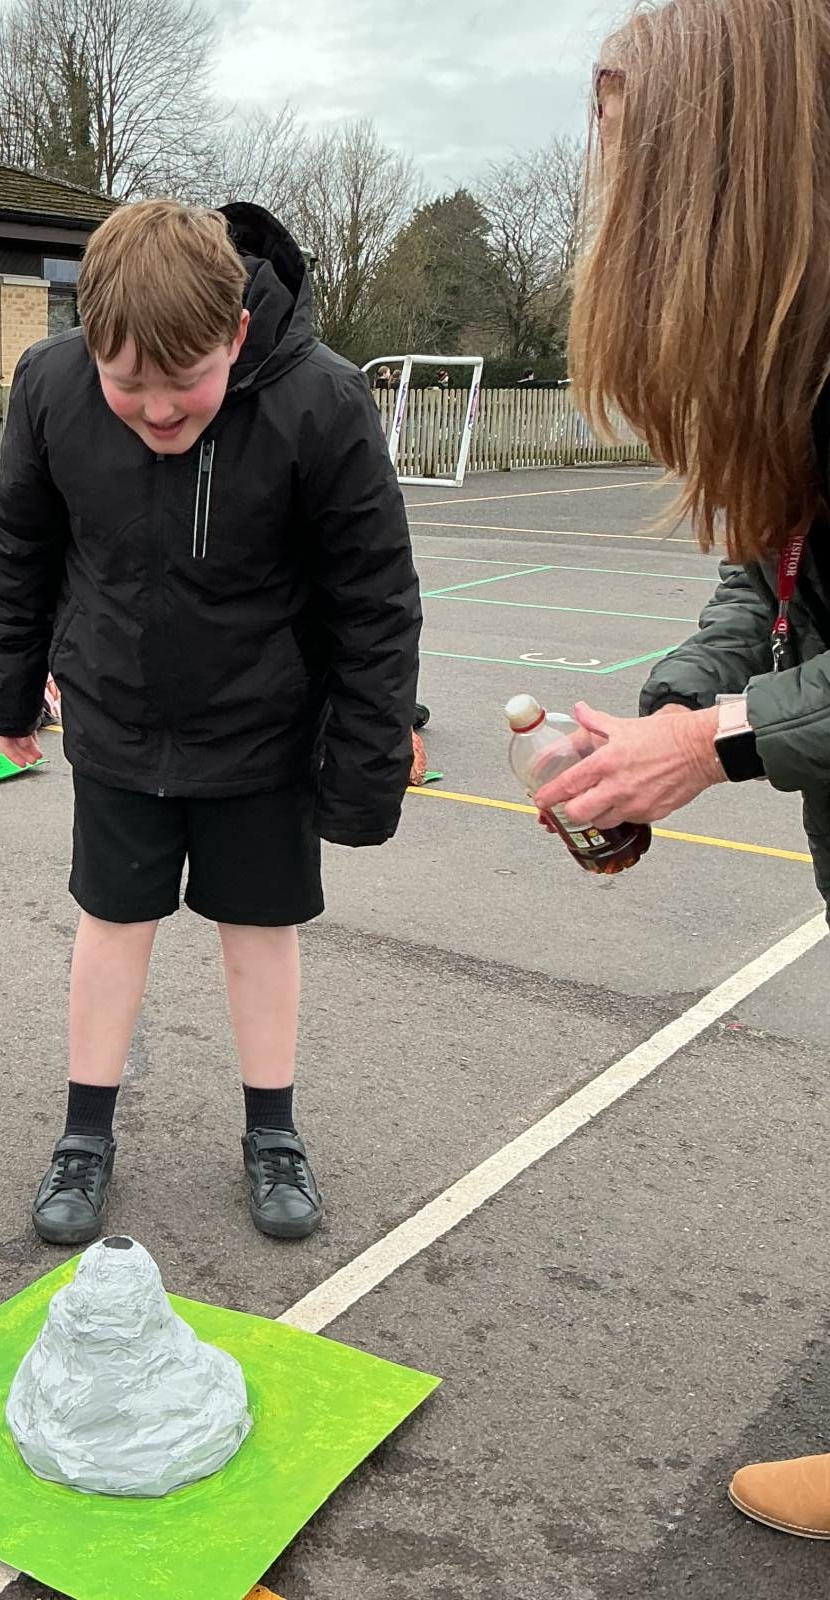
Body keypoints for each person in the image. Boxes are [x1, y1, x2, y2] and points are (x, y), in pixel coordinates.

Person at [0, 198, 422, 1245]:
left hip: (264, 726)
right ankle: (84, 1133)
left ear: (237, 332)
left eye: (183, 382)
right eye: (125, 383)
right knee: (112, 918)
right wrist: (7, 694)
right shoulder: (48, 385)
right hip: (117, 711)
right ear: (89, 340)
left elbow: (372, 598)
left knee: (260, 928)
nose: (157, 411)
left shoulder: (323, 400)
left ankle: (273, 1131)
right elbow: (21, 548)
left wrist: (363, 769)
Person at [535, 0, 830, 1542]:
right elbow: (771, 572)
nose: (617, 203)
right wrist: (673, 711)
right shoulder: (800, 364)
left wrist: (715, 743)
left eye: (640, 160)